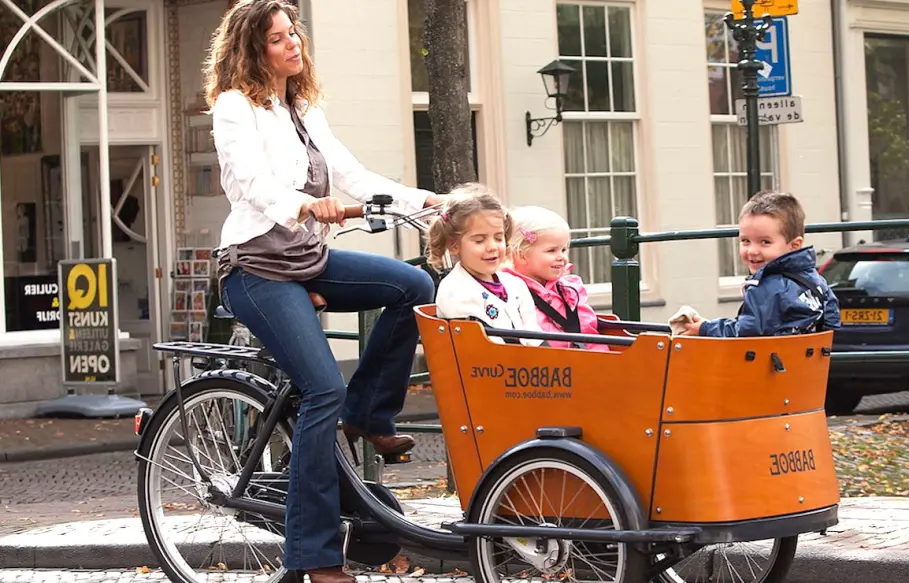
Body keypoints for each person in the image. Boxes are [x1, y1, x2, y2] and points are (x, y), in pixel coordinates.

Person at [203, 1, 443, 580]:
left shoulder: (304, 108)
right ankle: (313, 556)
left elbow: (353, 176)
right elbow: (249, 183)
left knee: (415, 284)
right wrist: (306, 204)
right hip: (255, 267)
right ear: (253, 48)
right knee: (319, 390)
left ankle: (368, 412)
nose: (294, 45)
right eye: (280, 38)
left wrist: (424, 200)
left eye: (295, 34)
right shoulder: (235, 108)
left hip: (306, 258)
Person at [670, 191, 840, 337]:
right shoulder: (815, 281)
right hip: (806, 370)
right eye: (745, 241)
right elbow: (831, 318)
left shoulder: (766, 287)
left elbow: (745, 332)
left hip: (768, 371)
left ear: (794, 245)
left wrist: (706, 329)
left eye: (765, 242)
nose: (752, 250)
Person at [428, 184, 545, 346]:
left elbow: (535, 335)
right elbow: (482, 349)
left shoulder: (515, 284)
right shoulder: (456, 291)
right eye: (479, 240)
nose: (492, 247)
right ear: (454, 245)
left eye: (498, 238)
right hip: (486, 367)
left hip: (527, 367)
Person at [502, 206, 608, 350]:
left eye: (564, 249)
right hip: (546, 367)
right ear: (521, 255)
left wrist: (602, 364)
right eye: (551, 250)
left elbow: (590, 334)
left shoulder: (569, 290)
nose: (562, 257)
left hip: (583, 363)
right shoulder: (509, 291)